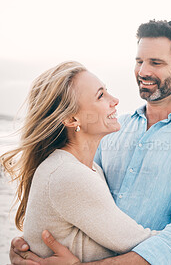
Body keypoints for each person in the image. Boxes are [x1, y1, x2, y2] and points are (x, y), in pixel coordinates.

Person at [9, 20, 171, 265]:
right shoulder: (109, 131)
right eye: (139, 61)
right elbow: (71, 206)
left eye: (156, 63)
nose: (143, 71)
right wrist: (31, 247)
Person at [1, 61, 159, 263]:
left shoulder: (90, 169)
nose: (115, 100)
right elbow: (144, 244)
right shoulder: (68, 175)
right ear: (71, 119)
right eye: (101, 95)